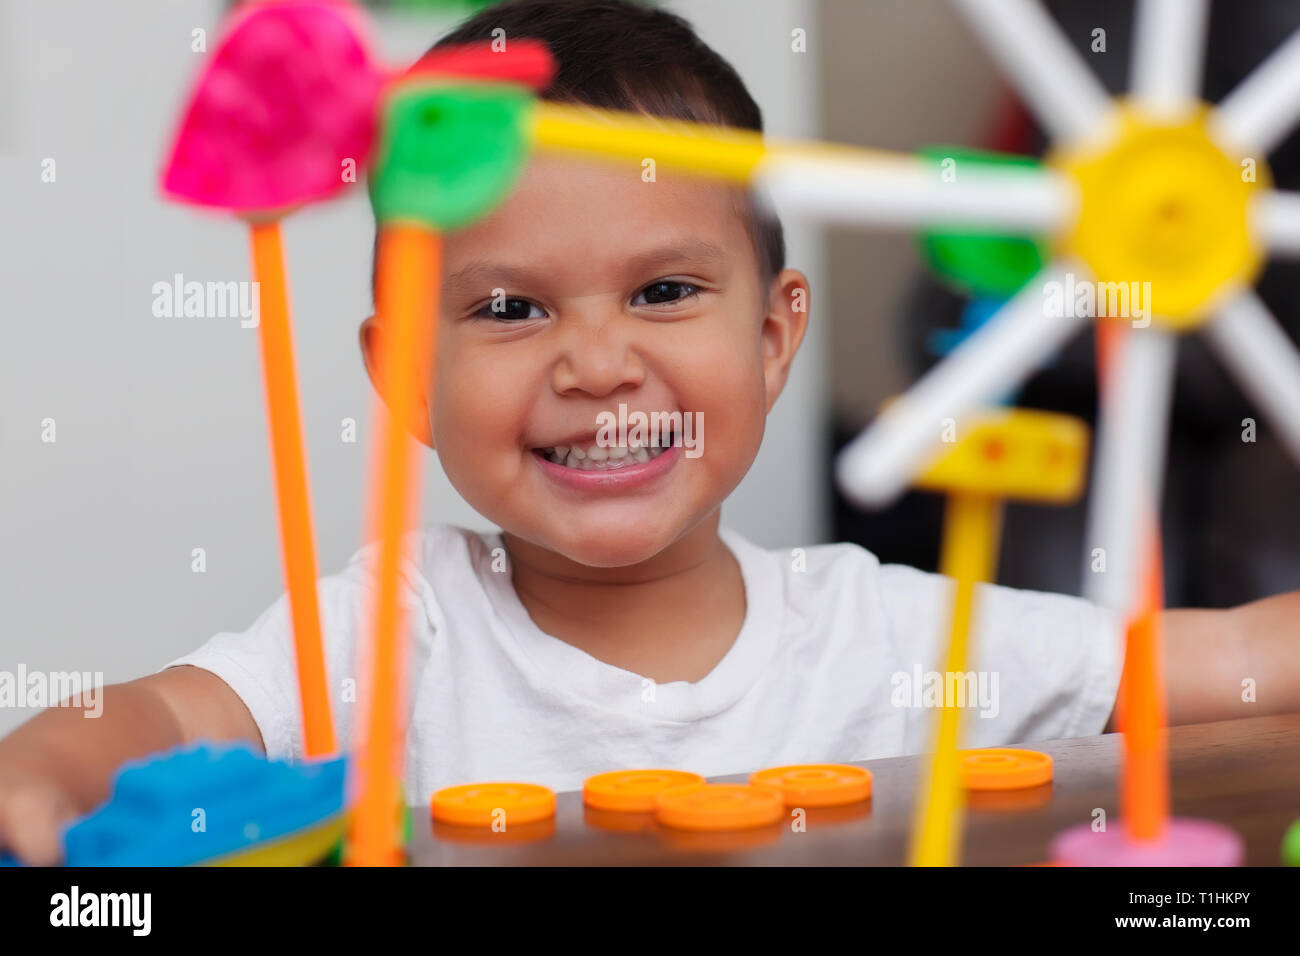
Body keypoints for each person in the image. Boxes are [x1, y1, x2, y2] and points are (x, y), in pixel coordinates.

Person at [1, 0, 1295, 866]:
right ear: (401, 368)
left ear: (777, 335)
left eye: (666, 293)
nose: (600, 365)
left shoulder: (903, 635)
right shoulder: (392, 635)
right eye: (510, 309)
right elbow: (157, 716)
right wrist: (47, 772)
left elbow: (1227, 656)